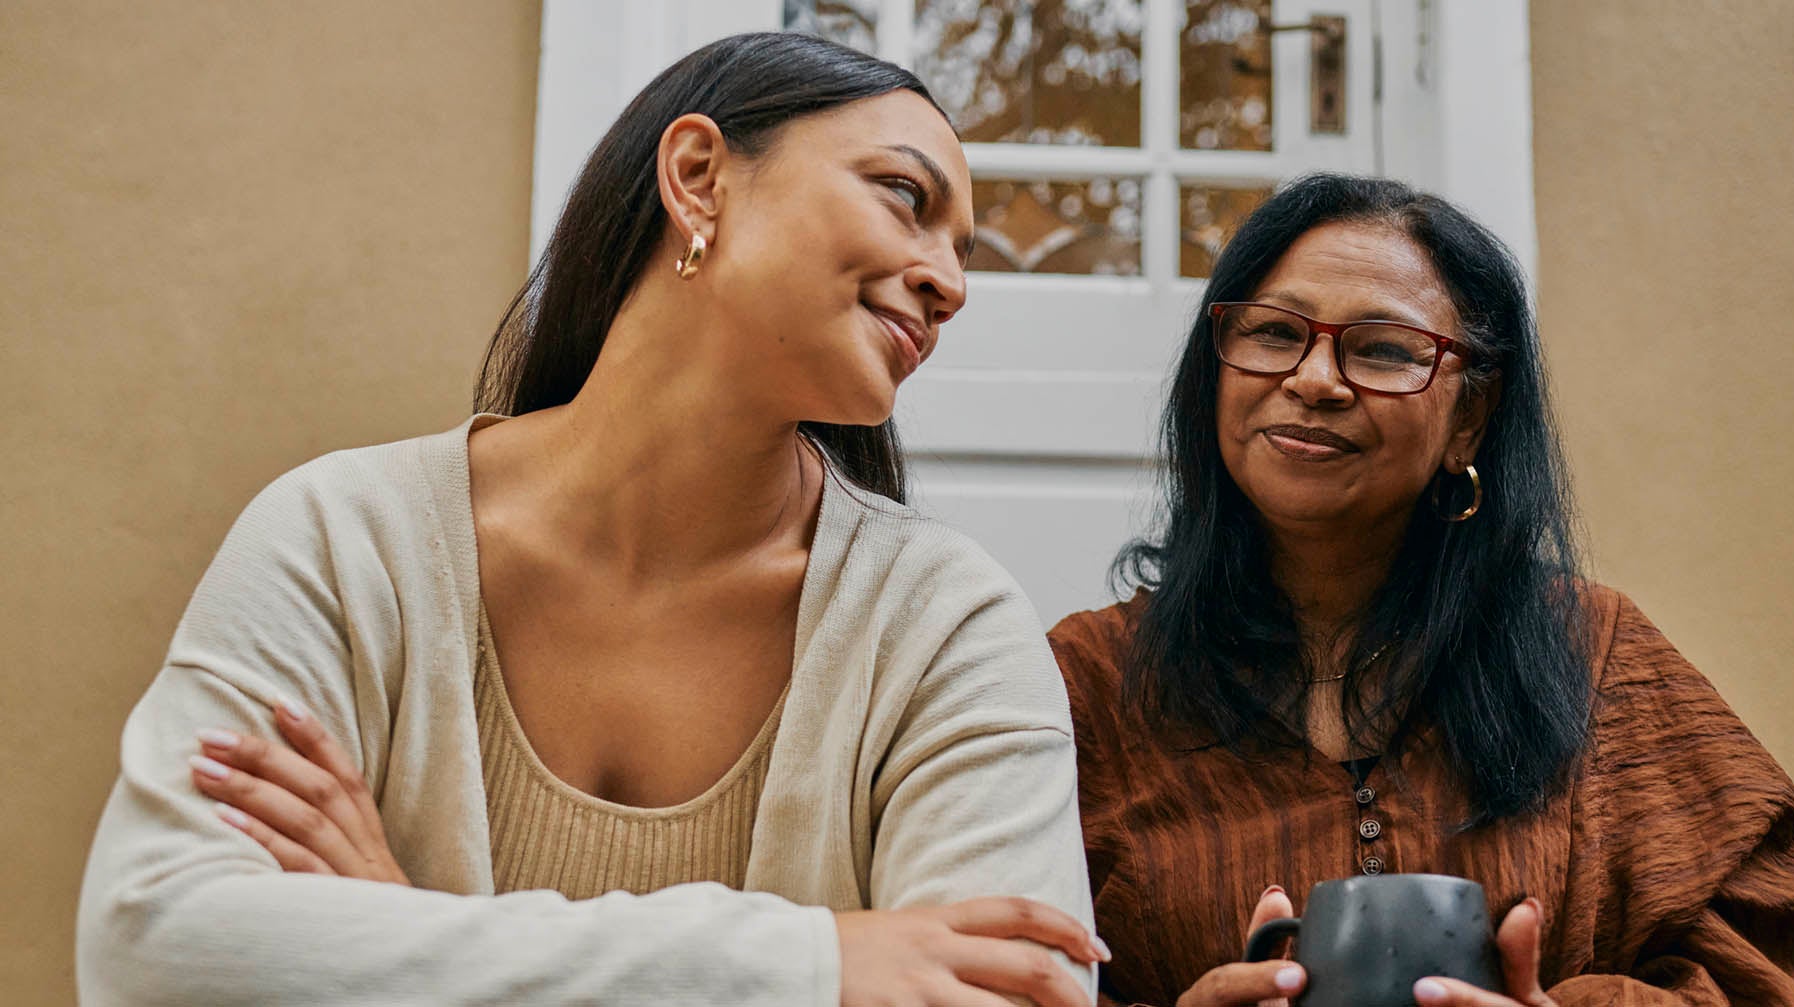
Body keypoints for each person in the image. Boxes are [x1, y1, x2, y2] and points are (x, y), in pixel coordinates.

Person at [77, 33, 1102, 1006]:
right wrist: (809, 961)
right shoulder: (345, 543)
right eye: (903, 196)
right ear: (698, 175)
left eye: (961, 248)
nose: (951, 282)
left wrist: (399, 934)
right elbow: (153, 945)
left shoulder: (946, 627)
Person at [1048, 174, 1794, 1006]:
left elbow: (1778, 974)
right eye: (1275, 333)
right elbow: (988, 970)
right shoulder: (1088, 683)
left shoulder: (1593, 656)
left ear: (1469, 416)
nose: (1316, 377)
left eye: (1384, 349)